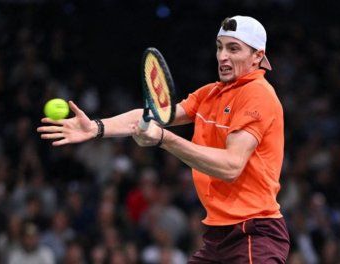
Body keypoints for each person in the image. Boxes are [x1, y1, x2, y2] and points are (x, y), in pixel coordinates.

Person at [38, 15, 289, 263]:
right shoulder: (211, 94)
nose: (223, 56)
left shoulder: (258, 95)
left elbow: (231, 166)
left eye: (234, 49)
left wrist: (163, 139)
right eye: (220, 47)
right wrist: (95, 127)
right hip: (219, 236)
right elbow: (149, 117)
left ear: (258, 56)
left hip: (253, 235)